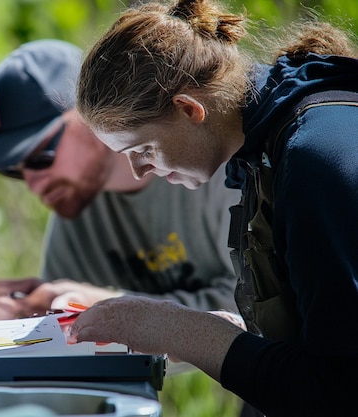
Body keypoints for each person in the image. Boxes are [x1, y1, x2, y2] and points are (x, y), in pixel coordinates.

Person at [69, 0, 358, 415]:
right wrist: (245, 335)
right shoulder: (267, 146)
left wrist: (188, 332)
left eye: (143, 149)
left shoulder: (314, 156)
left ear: (189, 109)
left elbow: (340, 388)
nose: (137, 172)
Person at [0, 39, 241, 322]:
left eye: (40, 156)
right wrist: (31, 318)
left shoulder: (207, 161)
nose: (34, 184)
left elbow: (257, 318)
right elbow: (68, 350)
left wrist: (110, 309)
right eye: (14, 171)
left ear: (90, 111)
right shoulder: (75, 201)